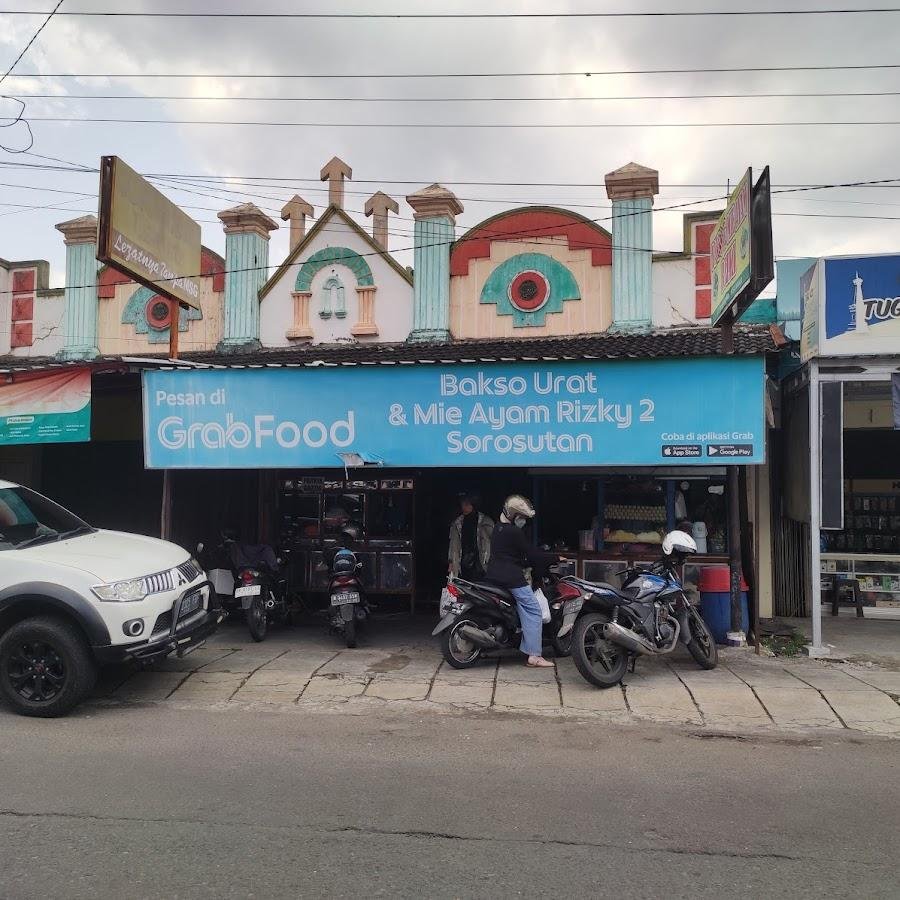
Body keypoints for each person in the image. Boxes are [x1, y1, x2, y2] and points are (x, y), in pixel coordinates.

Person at [484, 494, 560, 668]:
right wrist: (555, 557)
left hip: (494, 575)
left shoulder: (497, 528)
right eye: (522, 517)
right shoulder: (514, 532)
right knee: (533, 609)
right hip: (511, 578)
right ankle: (534, 655)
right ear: (514, 515)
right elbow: (532, 554)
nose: (524, 521)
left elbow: (510, 555)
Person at [448, 493, 494, 581]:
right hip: (463, 564)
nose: (463, 507)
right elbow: (453, 545)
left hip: (482, 564)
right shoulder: (457, 524)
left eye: (466, 504)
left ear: (473, 504)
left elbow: (494, 543)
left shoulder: (486, 522)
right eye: (462, 504)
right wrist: (451, 562)